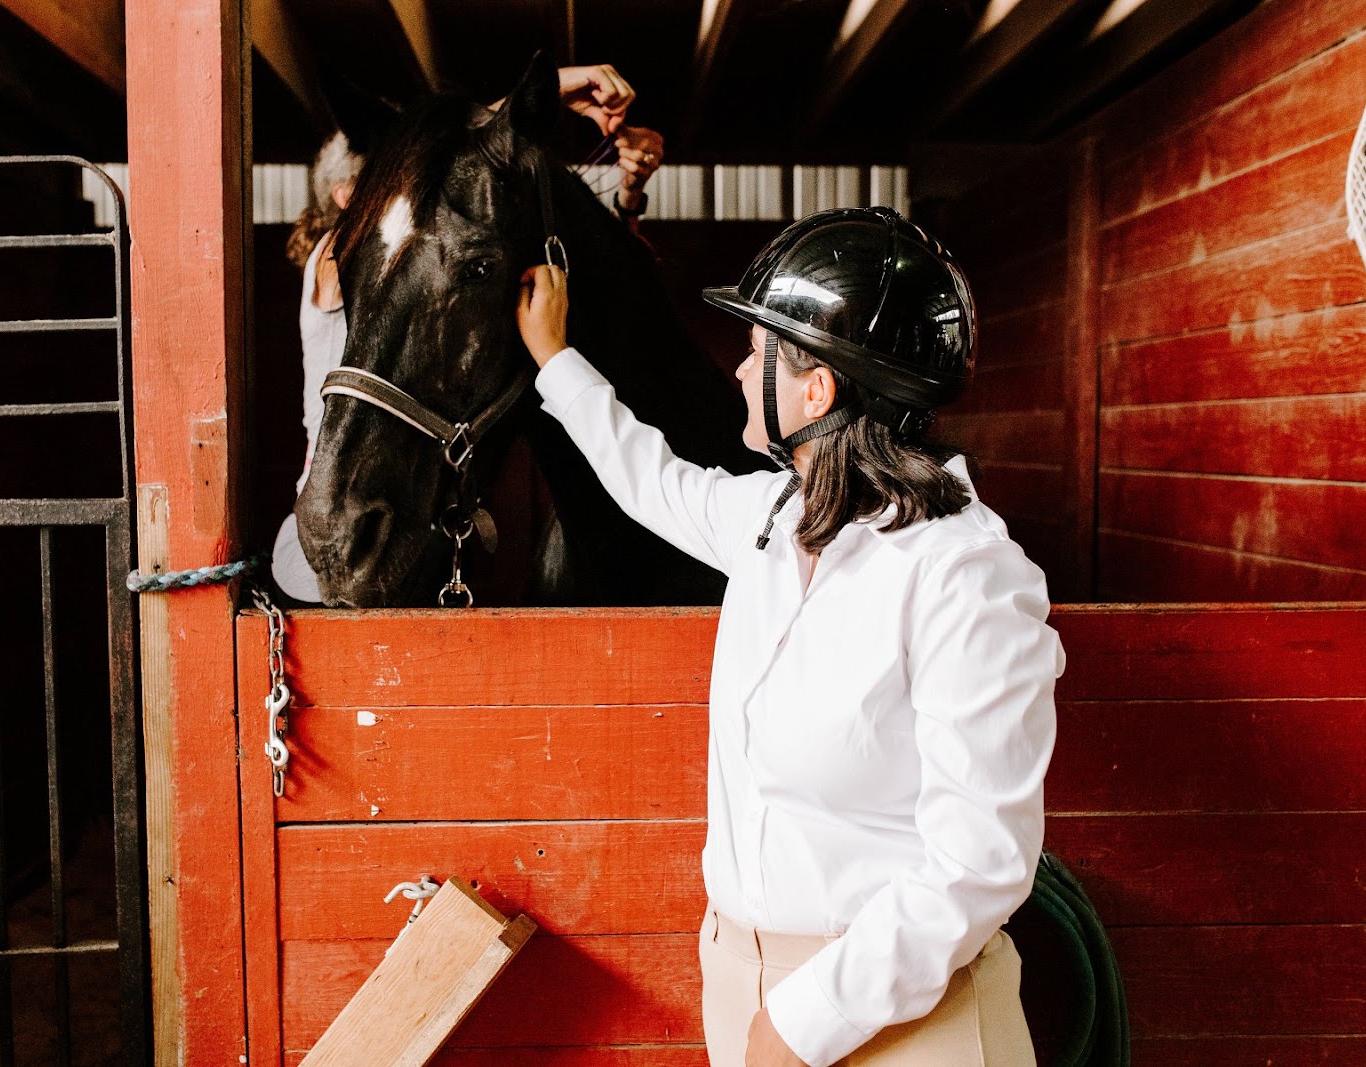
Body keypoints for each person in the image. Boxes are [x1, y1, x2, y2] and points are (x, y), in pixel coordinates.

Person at [515, 207, 1064, 1066]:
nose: (737, 370)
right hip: (743, 977)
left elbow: (981, 863)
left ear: (818, 389)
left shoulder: (967, 576)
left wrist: (805, 1021)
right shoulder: (776, 519)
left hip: (902, 1017)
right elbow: (651, 480)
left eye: (758, 351)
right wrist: (555, 359)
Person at [269, 64, 666, 603]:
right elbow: (455, 154)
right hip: (345, 504)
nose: (421, 182)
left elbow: (458, 158)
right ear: (346, 197)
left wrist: (626, 199)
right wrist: (552, 88)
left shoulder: (397, 247)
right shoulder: (346, 253)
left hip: (400, 495)